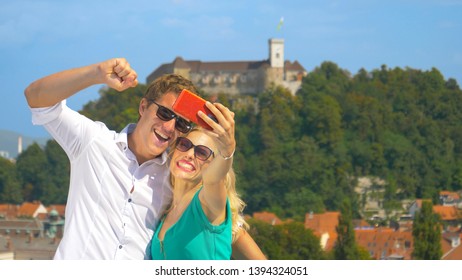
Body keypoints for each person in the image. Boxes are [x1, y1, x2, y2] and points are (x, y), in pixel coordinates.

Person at [24, 58, 266, 260]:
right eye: (164, 113)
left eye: (181, 122)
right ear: (143, 107)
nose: (170, 127)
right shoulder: (93, 142)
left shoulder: (178, 174)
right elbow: (36, 98)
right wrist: (95, 73)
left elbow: (229, 226)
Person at [151, 107, 244, 259]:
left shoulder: (207, 203)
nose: (189, 154)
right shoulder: (165, 209)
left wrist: (227, 151)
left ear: (214, 164)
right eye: (184, 145)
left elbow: (213, 180)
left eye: (202, 153)